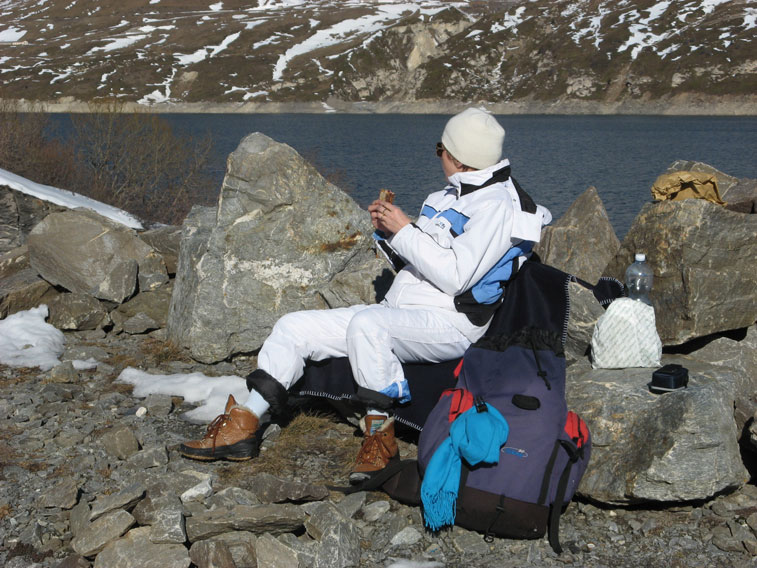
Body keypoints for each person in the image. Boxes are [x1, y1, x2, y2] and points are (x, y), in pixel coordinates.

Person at [180, 107, 552, 483]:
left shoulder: (501, 207)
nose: (438, 154)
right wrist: (392, 236)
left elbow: (457, 278)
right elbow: (424, 257)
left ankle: (380, 442)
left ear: (457, 157)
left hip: (450, 322)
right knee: (293, 327)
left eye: (440, 147)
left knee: (369, 325)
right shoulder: (447, 195)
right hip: (404, 310)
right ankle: (243, 425)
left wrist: (405, 229)